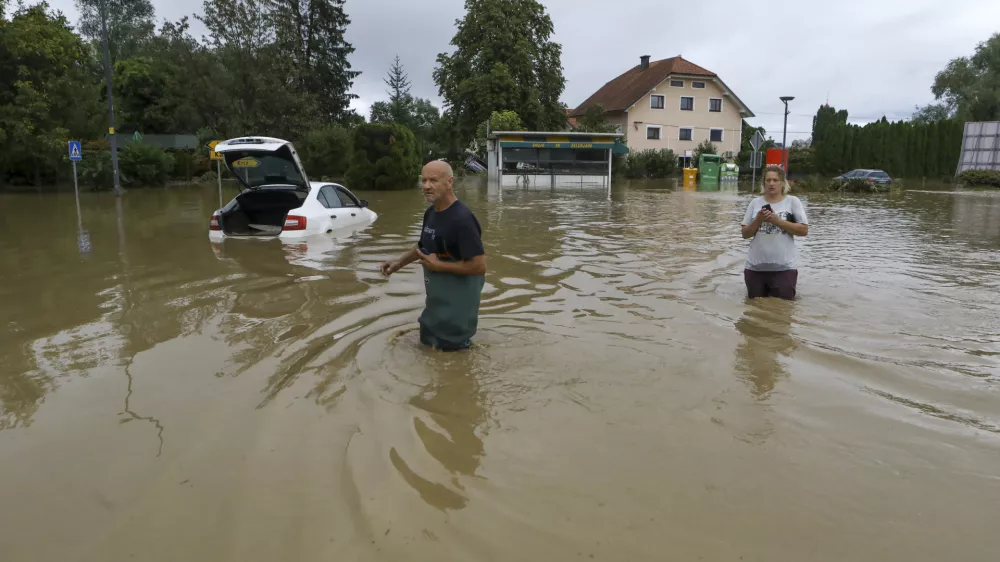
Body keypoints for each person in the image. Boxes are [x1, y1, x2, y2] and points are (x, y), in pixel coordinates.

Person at [381, 160, 486, 351]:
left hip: (456, 310)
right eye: (424, 180)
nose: (426, 186)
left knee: (455, 358)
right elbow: (423, 247)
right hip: (436, 305)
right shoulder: (431, 213)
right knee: (428, 347)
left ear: (449, 182)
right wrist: (398, 263)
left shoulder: (462, 220)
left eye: (433, 180)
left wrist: (439, 266)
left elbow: (479, 267)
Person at [740, 165, 809, 300]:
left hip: (784, 269)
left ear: (783, 183)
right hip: (755, 269)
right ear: (764, 183)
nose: (771, 183)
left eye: (775, 180)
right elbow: (745, 234)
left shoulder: (792, 202)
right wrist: (758, 219)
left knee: (781, 314)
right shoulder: (755, 203)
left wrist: (778, 221)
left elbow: (804, 230)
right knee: (754, 314)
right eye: (768, 180)